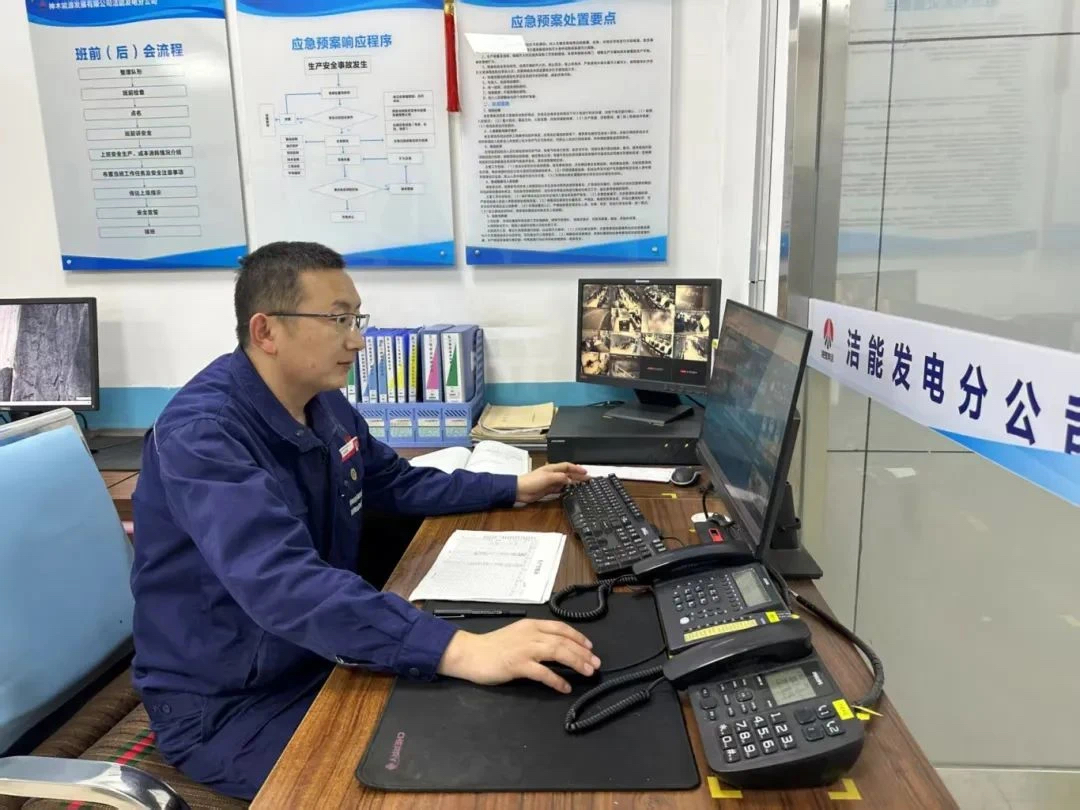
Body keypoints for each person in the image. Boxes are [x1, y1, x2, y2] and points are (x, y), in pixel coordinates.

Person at [130, 241, 595, 800]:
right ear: (266, 331)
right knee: (434, 777)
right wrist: (461, 649)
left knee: (503, 727)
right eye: (337, 320)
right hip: (229, 704)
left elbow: (393, 482)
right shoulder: (203, 436)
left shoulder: (323, 402)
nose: (356, 339)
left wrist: (510, 488)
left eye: (356, 319)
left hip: (318, 654)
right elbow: (282, 583)